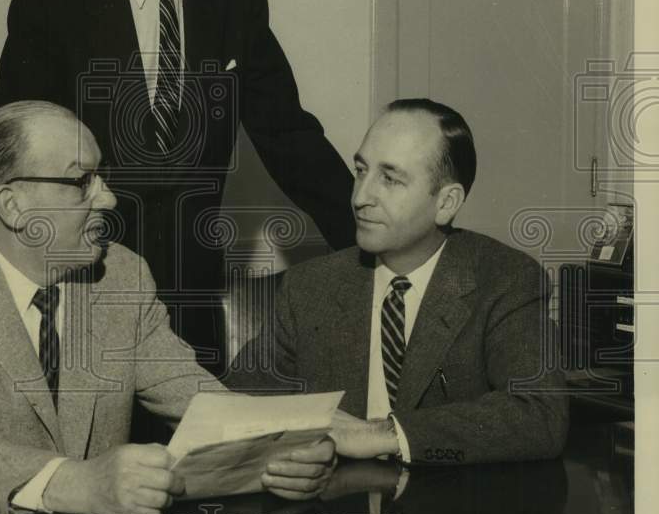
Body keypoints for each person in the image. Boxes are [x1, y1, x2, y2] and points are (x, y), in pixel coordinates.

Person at [0, 0, 355, 373]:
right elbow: (4, 162)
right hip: (84, 284)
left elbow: (289, 134)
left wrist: (369, 241)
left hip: (194, 293)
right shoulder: (49, 7)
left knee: (196, 454)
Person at [0, 102, 336, 514]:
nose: (107, 198)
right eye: (80, 182)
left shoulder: (121, 276)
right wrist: (73, 483)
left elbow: (198, 400)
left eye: (101, 177)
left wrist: (280, 451)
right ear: (14, 204)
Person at [225, 99, 569, 465]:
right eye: (361, 171)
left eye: (390, 179)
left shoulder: (504, 280)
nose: (360, 198)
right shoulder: (309, 286)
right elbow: (236, 404)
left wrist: (383, 434)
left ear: (446, 203)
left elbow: (539, 414)